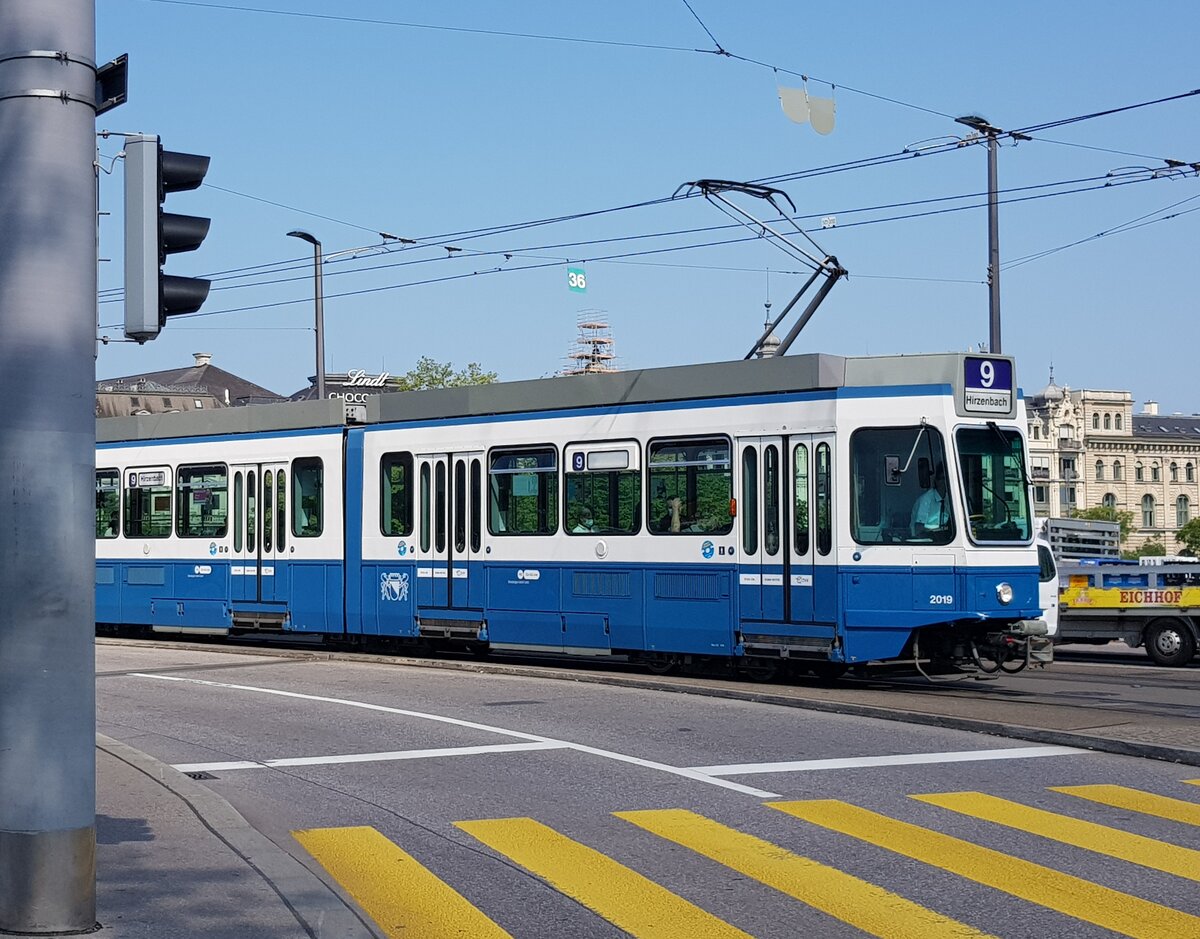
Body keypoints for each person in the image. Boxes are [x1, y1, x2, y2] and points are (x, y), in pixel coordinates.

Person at [911, 464, 949, 535]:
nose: (945, 482)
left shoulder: (949, 499)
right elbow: (919, 528)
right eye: (943, 478)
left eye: (947, 479)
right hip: (924, 540)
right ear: (936, 481)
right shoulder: (926, 499)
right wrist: (938, 531)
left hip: (943, 538)